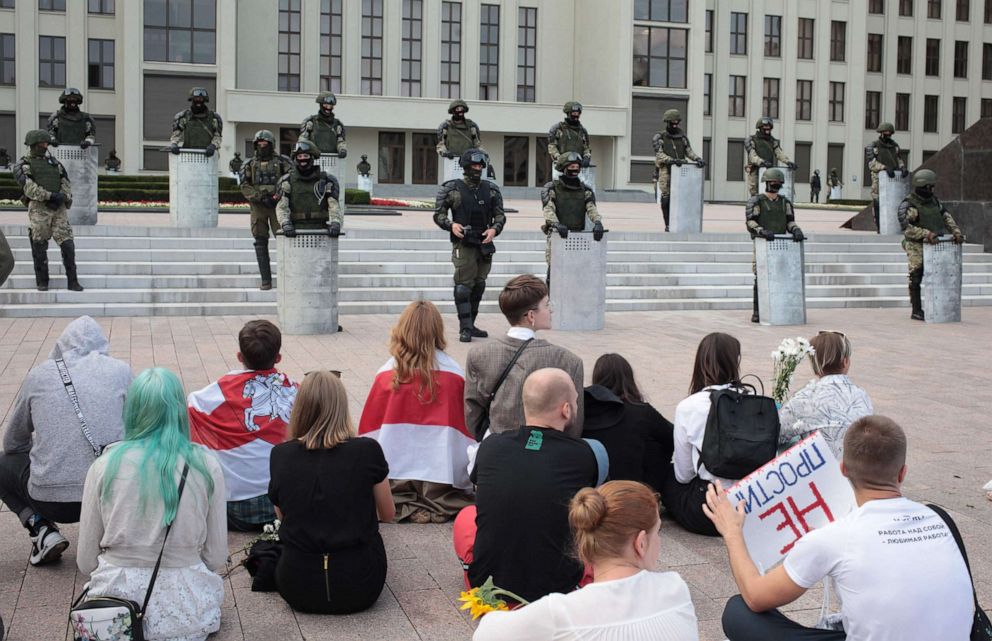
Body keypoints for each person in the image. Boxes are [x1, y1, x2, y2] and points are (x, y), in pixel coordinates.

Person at [704, 415, 973, 641]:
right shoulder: (938, 518)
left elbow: (755, 596)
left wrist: (732, 532)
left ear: (843, 469)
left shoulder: (833, 538)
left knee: (738, 612)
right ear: (902, 473)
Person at [77, 368, 227, 641]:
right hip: (186, 610)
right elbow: (216, 557)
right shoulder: (206, 466)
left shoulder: (103, 466)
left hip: (114, 608)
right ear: (180, 411)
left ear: (132, 411)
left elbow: (86, 561)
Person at [473, 480, 698, 641]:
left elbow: (485, 634)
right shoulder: (675, 588)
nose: (658, 540)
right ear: (640, 543)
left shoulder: (560, 612)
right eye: (657, 532)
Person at [454, 368, 601, 603]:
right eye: (575, 400)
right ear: (566, 409)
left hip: (487, 586)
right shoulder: (586, 454)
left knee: (466, 516)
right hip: (560, 587)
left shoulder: (491, 446)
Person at [0, 316, 131, 565]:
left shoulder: (38, 375)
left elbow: (13, 444)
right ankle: (115, 537)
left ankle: (40, 527)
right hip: (108, 496)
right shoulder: (120, 371)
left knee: (2, 463)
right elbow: (137, 429)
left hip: (48, 500)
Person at [268, 371, 395, 614]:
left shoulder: (281, 455)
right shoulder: (368, 450)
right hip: (362, 586)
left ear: (300, 408)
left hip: (297, 586)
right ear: (342, 407)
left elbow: (283, 516)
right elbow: (388, 514)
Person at [358, 300, 474, 524]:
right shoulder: (454, 375)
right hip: (441, 475)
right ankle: (435, 502)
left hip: (394, 476)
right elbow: (464, 431)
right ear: (437, 331)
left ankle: (405, 500)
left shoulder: (385, 375)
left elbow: (371, 429)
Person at [188, 320, 298, 532]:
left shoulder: (211, 395)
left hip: (230, 509)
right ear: (278, 358)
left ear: (240, 356)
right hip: (284, 504)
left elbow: (183, 410)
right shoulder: (297, 392)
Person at [464, 274, 584, 439]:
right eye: (547, 304)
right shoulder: (568, 361)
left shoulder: (478, 355)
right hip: (548, 454)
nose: (551, 310)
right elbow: (573, 424)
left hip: (497, 450)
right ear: (531, 316)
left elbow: (472, 414)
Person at [661, 332, 746, 536]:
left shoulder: (689, 406)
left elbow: (684, 474)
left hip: (708, 510)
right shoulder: (755, 401)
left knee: (667, 475)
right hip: (751, 505)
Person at [433, 148, 505, 342]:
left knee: (479, 285)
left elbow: (500, 215)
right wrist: (451, 225)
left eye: (480, 165)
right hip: (464, 243)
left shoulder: (491, 189)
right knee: (464, 286)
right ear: (465, 166)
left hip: (484, 243)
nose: (478, 168)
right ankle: (464, 328)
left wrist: (495, 229)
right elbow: (438, 214)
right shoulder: (452, 189)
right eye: (474, 165)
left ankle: (471, 324)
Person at [582, 353, 674, 493]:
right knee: (653, 440)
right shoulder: (641, 412)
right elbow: (673, 437)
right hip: (632, 487)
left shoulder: (583, 410)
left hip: (592, 486)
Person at [778, 331, 873, 458]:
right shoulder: (861, 396)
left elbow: (776, 433)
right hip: (856, 470)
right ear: (845, 362)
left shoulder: (804, 398)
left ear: (814, 365)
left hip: (818, 470)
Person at [12, 130, 84, 292]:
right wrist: (49, 196)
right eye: (42, 144)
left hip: (58, 209)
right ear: (34, 145)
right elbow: (28, 187)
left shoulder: (55, 163)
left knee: (67, 243)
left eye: (46, 144)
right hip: (39, 209)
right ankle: (42, 281)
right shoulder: (24, 164)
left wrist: (63, 197)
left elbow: (65, 181)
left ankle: (73, 281)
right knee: (39, 244)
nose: (46, 146)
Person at [898, 169, 965, 321]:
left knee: (938, 274)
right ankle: (916, 310)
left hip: (935, 244)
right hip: (916, 246)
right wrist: (926, 234)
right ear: (924, 186)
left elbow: (946, 217)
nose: (933, 190)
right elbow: (907, 229)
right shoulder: (909, 205)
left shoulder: (934, 202)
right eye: (931, 187)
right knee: (916, 276)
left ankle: (936, 306)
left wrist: (956, 232)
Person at [745, 167, 805, 323]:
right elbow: (750, 221)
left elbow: (790, 221)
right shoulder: (756, 201)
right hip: (762, 244)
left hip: (780, 244)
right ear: (766, 183)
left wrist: (796, 230)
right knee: (760, 277)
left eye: (778, 183)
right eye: (773, 182)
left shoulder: (785, 202)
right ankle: (758, 311)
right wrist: (761, 230)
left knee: (781, 275)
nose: (775, 185)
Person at [240, 130, 292, 290]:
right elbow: (244, 185)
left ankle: (288, 279)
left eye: (265, 143)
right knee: (260, 242)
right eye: (259, 143)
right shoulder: (249, 164)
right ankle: (266, 280)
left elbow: (291, 180)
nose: (262, 146)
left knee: (284, 239)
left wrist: (277, 196)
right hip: (258, 206)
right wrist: (259, 197)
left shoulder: (283, 162)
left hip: (278, 205)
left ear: (271, 144)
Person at [541, 151, 604, 283]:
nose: (575, 170)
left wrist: (597, 222)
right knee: (554, 274)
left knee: (576, 273)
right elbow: (548, 208)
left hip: (577, 236)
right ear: (564, 167)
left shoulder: (585, 190)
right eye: (571, 167)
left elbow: (591, 208)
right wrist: (555, 224)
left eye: (577, 167)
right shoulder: (552, 188)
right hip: (557, 235)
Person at [276, 139, 343, 237]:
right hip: (295, 230)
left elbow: (334, 205)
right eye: (299, 156)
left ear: (312, 157)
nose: (302, 159)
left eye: (306, 156)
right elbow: (282, 206)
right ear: (295, 158)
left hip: (320, 229)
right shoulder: (287, 181)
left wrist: (336, 222)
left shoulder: (327, 180)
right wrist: (285, 223)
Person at [653, 109, 706, 232]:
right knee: (666, 198)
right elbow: (659, 154)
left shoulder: (682, 138)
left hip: (681, 172)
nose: (675, 125)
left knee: (681, 197)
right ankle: (668, 224)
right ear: (667, 123)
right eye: (672, 123)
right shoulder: (659, 137)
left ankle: (681, 222)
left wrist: (697, 159)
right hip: (666, 171)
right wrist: (671, 160)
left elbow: (689, 151)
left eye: (677, 123)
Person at [867, 122, 909, 231]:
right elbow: (872, 164)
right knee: (878, 203)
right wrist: (884, 168)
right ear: (881, 133)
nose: (888, 135)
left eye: (890, 133)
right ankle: (880, 227)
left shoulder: (894, 146)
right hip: (878, 180)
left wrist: (902, 168)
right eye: (885, 133)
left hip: (894, 180)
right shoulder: (873, 146)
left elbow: (899, 160)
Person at [744, 117, 796, 198]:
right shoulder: (752, 140)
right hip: (756, 170)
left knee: (770, 192)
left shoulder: (773, 141)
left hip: (769, 171)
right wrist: (761, 162)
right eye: (765, 127)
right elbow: (752, 155)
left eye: (769, 128)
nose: (767, 129)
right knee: (755, 193)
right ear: (760, 128)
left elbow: (779, 153)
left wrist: (788, 162)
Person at [169, 87, 223, 156]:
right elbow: (176, 134)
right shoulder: (183, 117)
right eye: (196, 98)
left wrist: (213, 145)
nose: (199, 101)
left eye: (201, 99)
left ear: (204, 100)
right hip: (188, 155)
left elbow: (218, 136)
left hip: (207, 156)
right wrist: (174, 144)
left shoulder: (214, 118)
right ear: (192, 99)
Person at [299, 91, 347, 159]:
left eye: (330, 106)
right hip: (314, 160)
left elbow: (341, 141)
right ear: (321, 105)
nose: (328, 108)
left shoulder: (338, 124)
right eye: (326, 105)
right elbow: (303, 140)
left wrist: (342, 150)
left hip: (333, 160)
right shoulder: (310, 122)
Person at [548, 101, 592, 167]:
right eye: (574, 113)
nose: (576, 115)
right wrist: (559, 158)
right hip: (562, 165)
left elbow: (586, 147)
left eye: (578, 113)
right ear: (568, 113)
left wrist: (586, 157)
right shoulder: (558, 128)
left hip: (578, 165)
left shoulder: (582, 131)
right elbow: (552, 146)